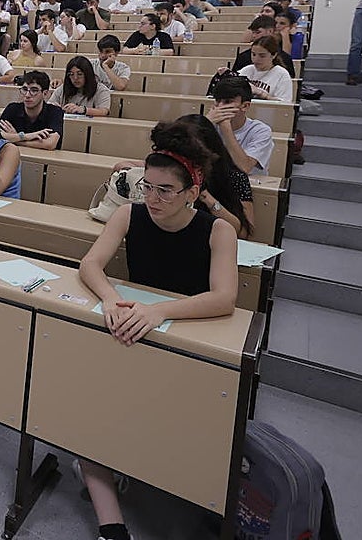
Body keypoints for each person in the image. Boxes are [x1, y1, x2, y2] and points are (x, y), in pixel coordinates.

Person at [77, 125, 237, 540]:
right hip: (130, 332)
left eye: (166, 190)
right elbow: (90, 265)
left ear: (192, 190)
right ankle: (112, 528)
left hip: (181, 341)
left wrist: (159, 311)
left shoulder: (219, 231)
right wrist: (111, 298)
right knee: (84, 416)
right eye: (148, 186)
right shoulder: (130, 214)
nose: (153, 198)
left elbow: (224, 298)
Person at [114, 115, 254, 238]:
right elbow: (121, 166)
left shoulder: (235, 177)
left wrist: (206, 197)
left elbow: (242, 233)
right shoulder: (170, 170)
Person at [207, 76, 273, 175]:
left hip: (248, 187)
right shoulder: (208, 125)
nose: (220, 106)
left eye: (227, 102)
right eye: (217, 100)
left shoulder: (261, 131)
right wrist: (205, 122)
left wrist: (225, 127)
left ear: (245, 106)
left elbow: (244, 167)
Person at [0, 70, 65, 150]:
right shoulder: (12, 109)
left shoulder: (54, 111)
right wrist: (25, 136)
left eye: (34, 90)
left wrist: (15, 139)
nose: (27, 95)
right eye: (25, 89)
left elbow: (50, 144)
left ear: (45, 94)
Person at [233, 36, 293, 102]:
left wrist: (262, 94)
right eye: (253, 54)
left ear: (273, 55)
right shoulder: (247, 70)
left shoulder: (282, 74)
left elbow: (284, 104)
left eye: (262, 56)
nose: (256, 59)